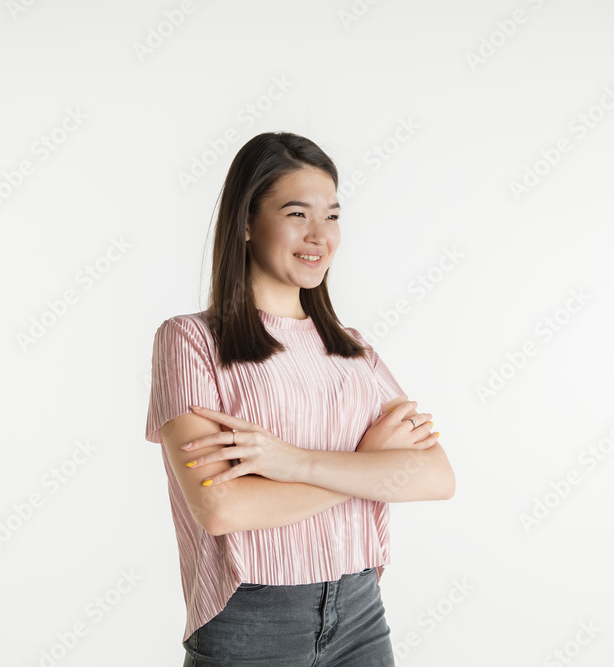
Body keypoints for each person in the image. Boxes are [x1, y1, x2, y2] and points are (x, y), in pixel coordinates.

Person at [144, 131, 455, 666]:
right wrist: (366, 466)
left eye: (332, 216)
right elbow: (221, 507)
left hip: (360, 613)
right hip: (252, 621)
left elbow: (435, 477)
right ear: (246, 223)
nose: (319, 235)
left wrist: (293, 464)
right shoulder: (191, 341)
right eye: (297, 213)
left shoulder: (354, 350)